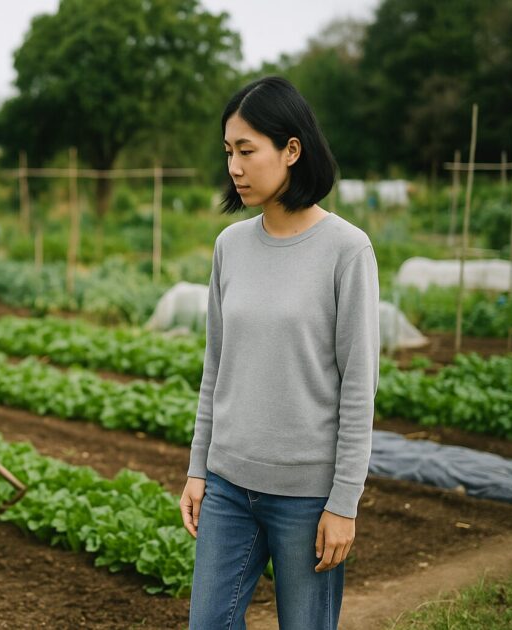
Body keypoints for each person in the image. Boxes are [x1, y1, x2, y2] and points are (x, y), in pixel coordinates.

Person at [179, 76, 379, 630]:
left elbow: (359, 386)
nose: (234, 167)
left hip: (306, 498)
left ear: (292, 150)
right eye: (228, 153)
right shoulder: (230, 246)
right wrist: (199, 468)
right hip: (226, 487)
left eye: (247, 151)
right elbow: (215, 367)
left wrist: (344, 503)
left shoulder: (346, 250)